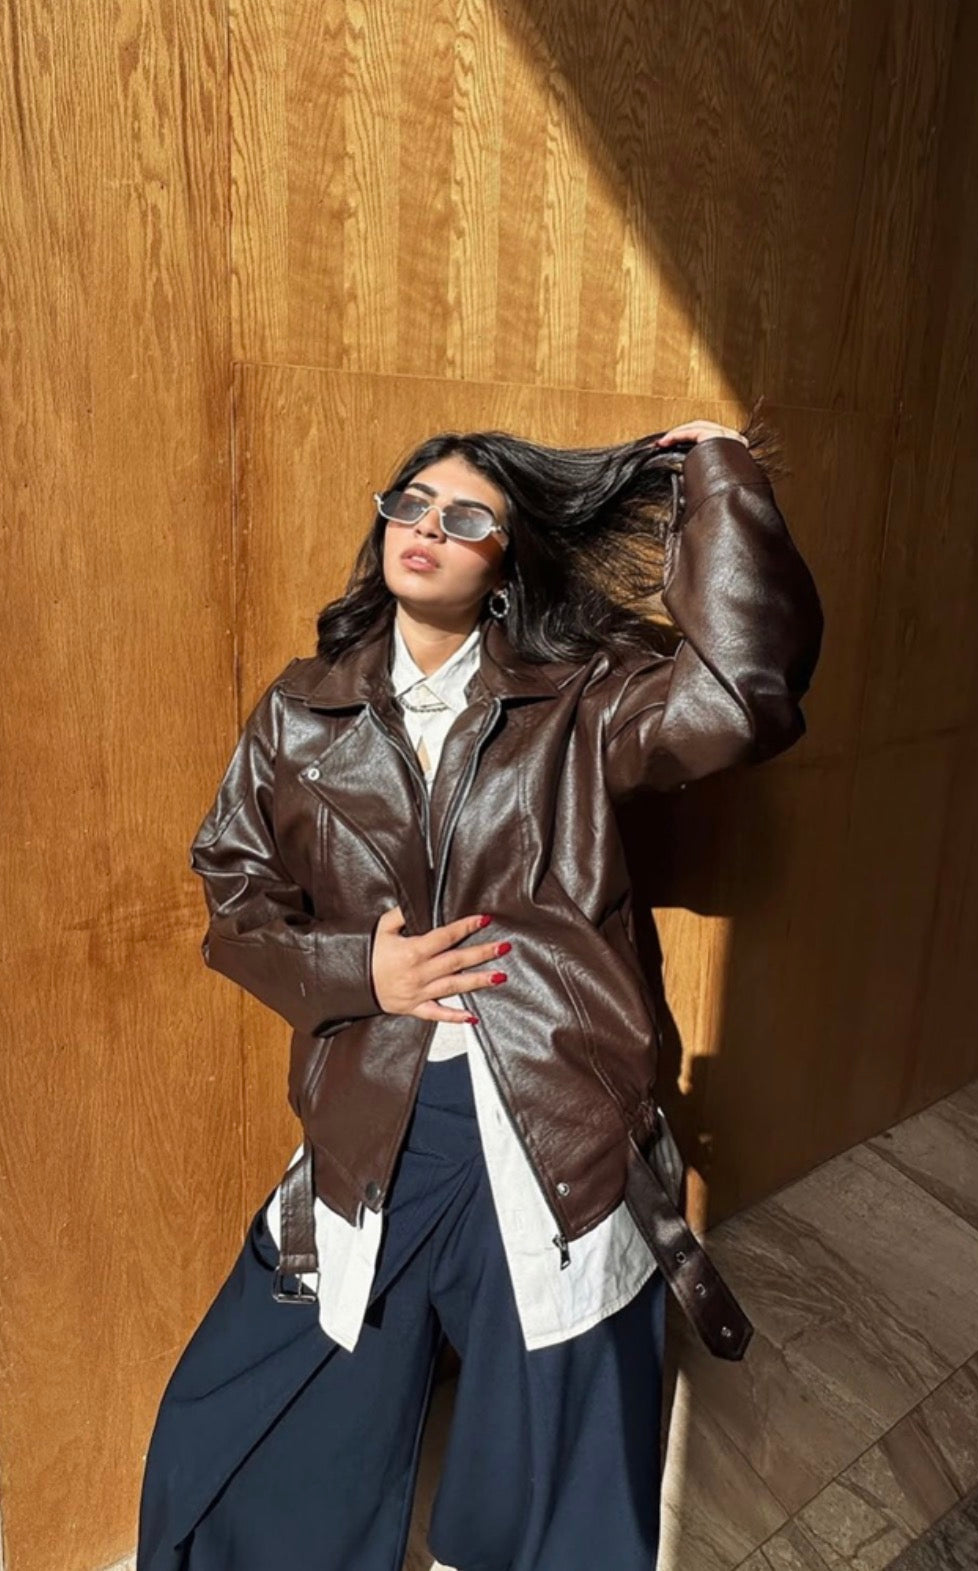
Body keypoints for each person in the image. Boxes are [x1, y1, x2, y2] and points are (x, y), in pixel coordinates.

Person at [137, 416, 824, 1570]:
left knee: (558, 1473)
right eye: (410, 503)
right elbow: (233, 900)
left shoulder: (579, 701)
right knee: (249, 1417)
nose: (427, 527)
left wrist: (721, 479)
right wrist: (363, 970)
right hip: (375, 1121)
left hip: (550, 1124)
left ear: (505, 565)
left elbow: (740, 702)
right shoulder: (301, 712)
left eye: (465, 517)